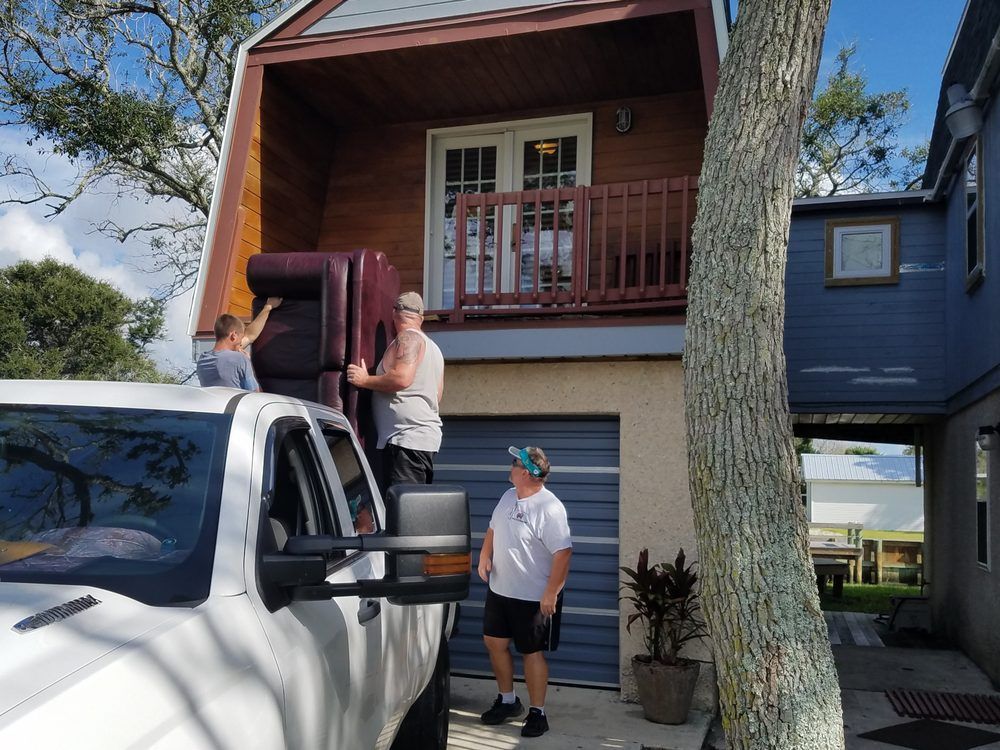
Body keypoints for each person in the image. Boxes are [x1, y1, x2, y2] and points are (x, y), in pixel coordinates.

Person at [477, 446, 572, 739]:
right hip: (500, 589)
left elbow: (563, 553)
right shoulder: (508, 496)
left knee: (531, 653)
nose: (511, 466)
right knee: (494, 642)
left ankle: (537, 713)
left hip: (533, 596)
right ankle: (508, 701)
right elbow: (493, 529)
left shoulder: (550, 508)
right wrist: (484, 556)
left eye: (515, 463)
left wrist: (551, 593)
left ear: (527, 473)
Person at [345, 292, 444, 492]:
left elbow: (402, 378)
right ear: (421, 318)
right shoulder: (435, 349)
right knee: (412, 509)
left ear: (394, 314)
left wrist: (364, 380)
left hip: (406, 441)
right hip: (419, 441)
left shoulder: (408, 338)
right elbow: (437, 396)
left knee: (404, 514)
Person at [196, 297, 282, 390]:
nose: (241, 343)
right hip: (239, 404)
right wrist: (249, 363)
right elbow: (255, 395)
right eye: (240, 339)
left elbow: (250, 336)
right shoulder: (239, 359)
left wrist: (268, 307)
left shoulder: (202, 360)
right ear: (233, 335)